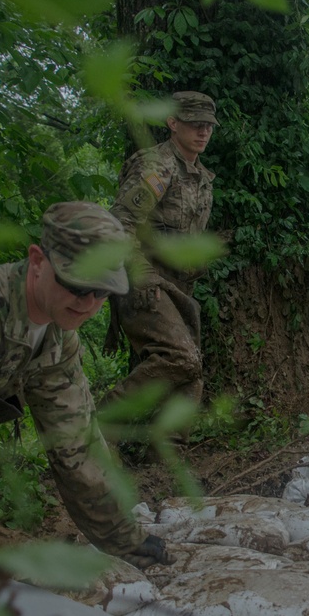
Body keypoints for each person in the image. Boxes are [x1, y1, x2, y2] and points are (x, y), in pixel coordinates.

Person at [0, 201, 171, 569]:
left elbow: (76, 444)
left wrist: (124, 541)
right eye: (78, 285)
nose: (88, 304)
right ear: (37, 260)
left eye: (102, 292)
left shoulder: (57, 335)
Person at [103, 90, 217, 445]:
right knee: (181, 358)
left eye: (208, 126)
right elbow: (120, 224)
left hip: (180, 288)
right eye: (194, 124)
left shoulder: (201, 176)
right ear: (172, 123)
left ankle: (166, 460)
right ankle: (96, 424)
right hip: (145, 282)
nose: (203, 132)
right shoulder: (156, 167)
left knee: (190, 373)